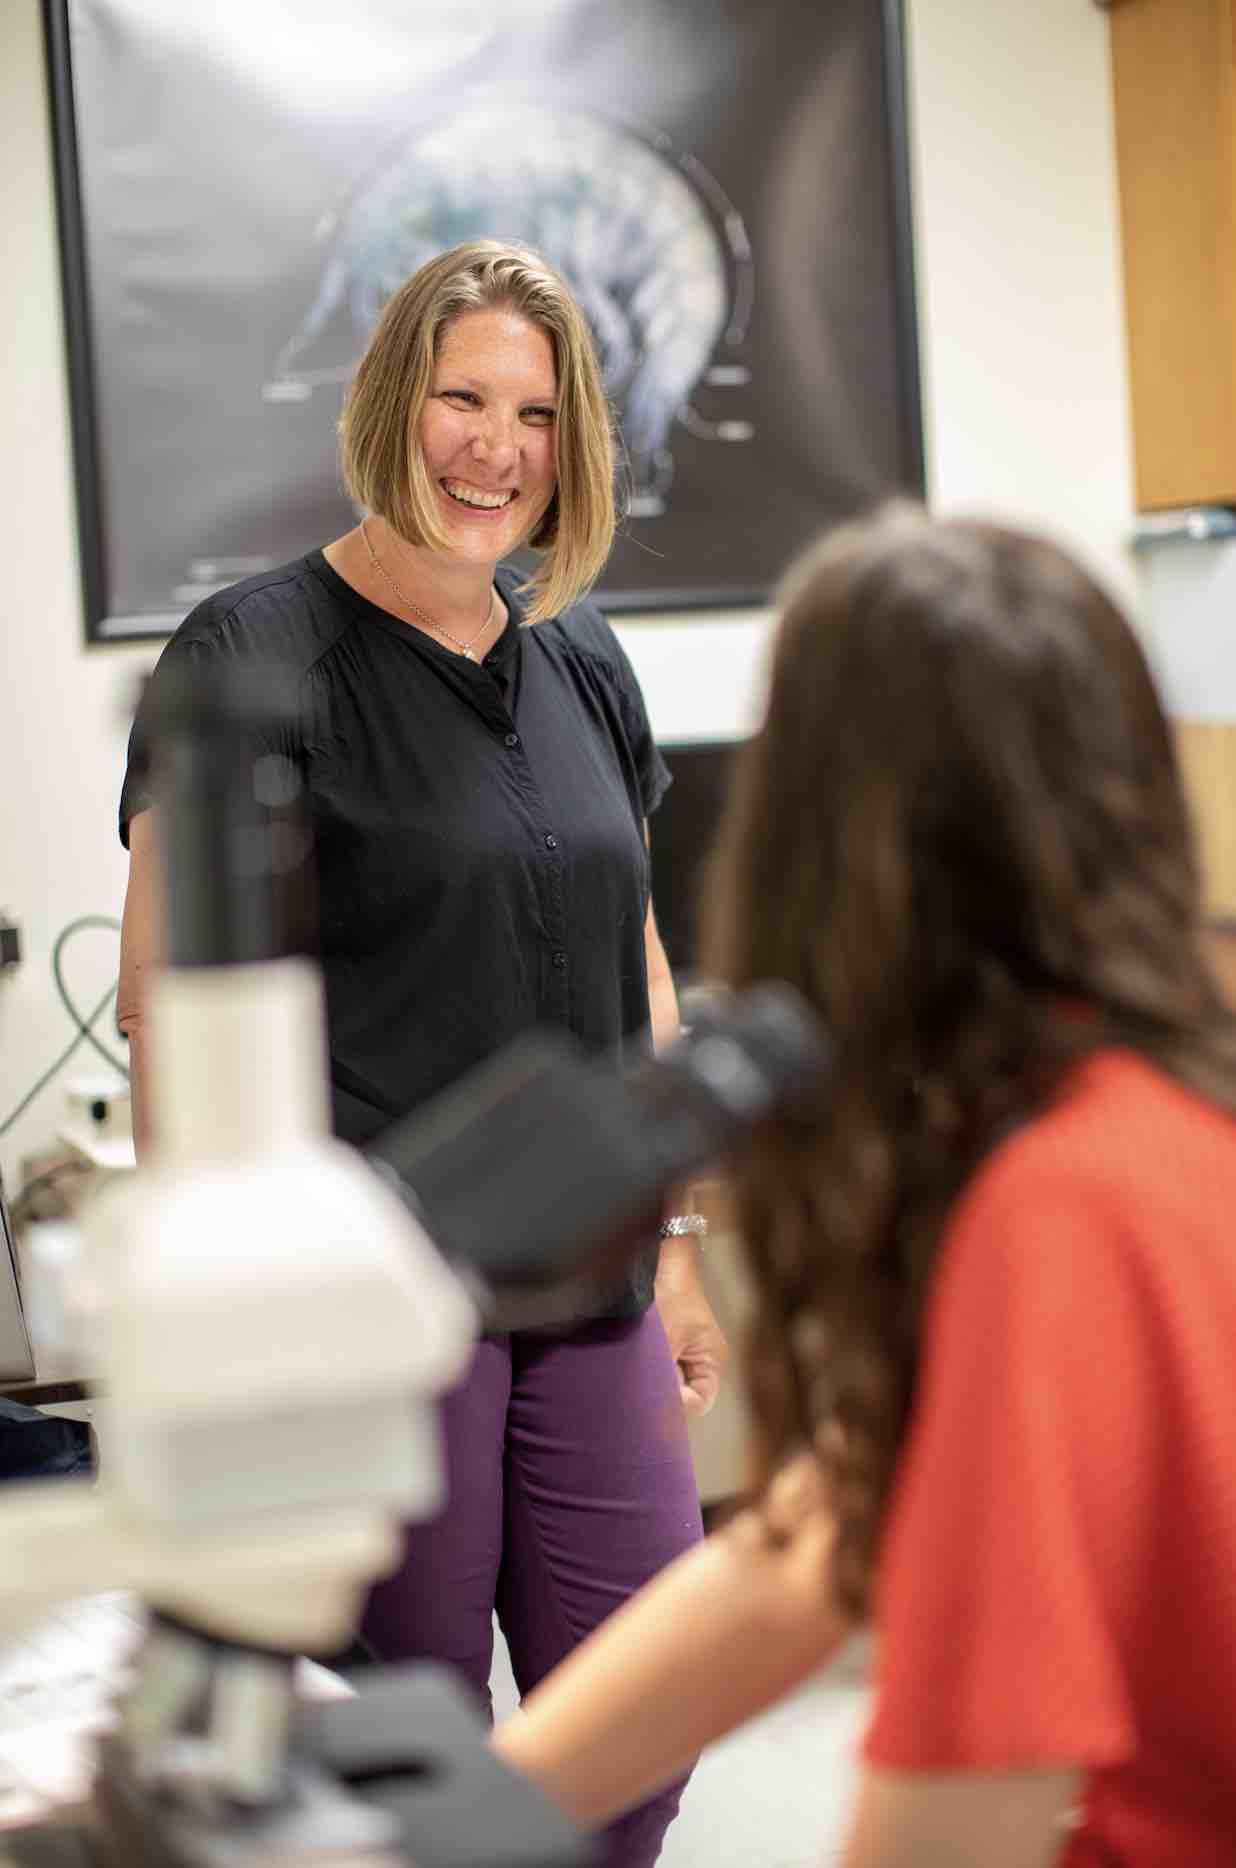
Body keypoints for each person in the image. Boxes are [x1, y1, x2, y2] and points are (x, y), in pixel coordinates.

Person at [492, 504, 1236, 1867]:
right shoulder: (1148, 1098)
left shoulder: (1060, 1207)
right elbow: (830, 1531)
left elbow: (969, 1807)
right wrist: (457, 1817)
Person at [116, 240, 725, 1868]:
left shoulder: (583, 656)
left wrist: (673, 1243)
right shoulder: (252, 661)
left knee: (644, 1722)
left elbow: (638, 955)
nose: (494, 446)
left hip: (593, 1290)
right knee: (410, 1748)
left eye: (533, 413)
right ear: (395, 401)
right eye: (462, 396)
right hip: (387, 1309)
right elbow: (171, 1007)